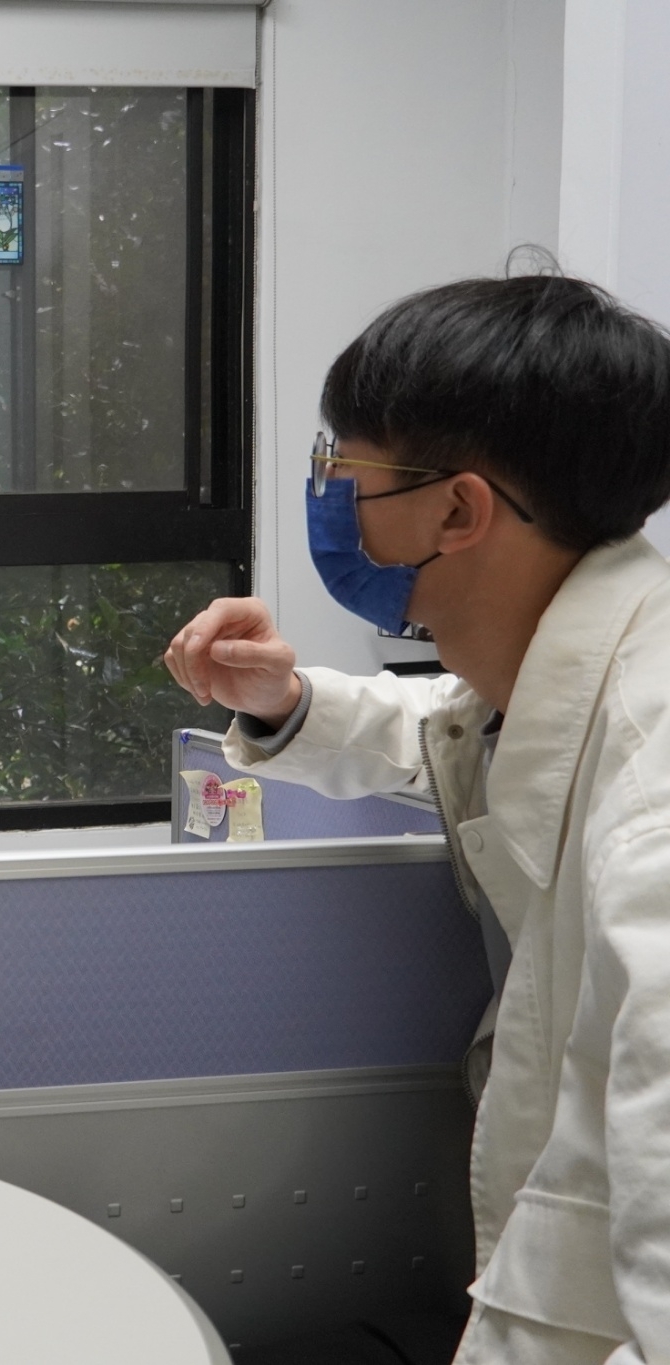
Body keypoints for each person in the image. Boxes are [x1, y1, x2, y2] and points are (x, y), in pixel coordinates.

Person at [164, 274, 670, 1364]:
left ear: (455, 510)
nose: (326, 500)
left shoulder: (652, 805)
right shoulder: (558, 667)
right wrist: (286, 704)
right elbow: (457, 729)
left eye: (340, 473)